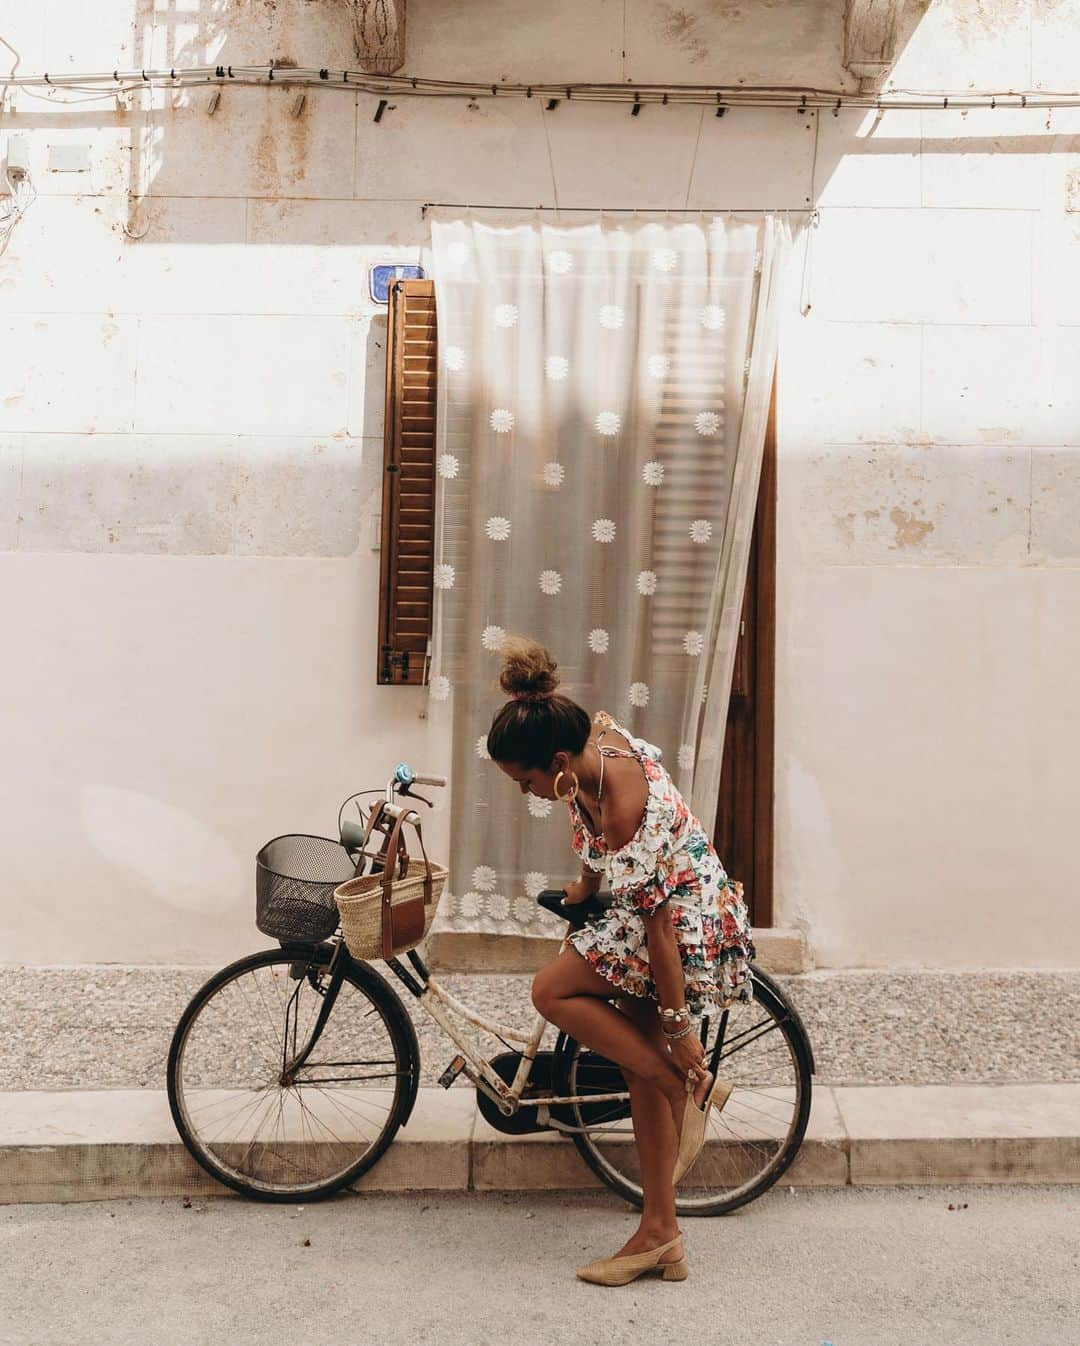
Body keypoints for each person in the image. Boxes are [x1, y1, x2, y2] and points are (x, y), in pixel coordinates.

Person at [486, 634, 757, 1286]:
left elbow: (659, 930)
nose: (528, 793)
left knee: (553, 992)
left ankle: (678, 1086)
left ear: (553, 762)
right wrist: (584, 888)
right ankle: (661, 1236)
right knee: (636, 1069)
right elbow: (589, 806)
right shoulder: (592, 740)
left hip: (685, 922)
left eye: (526, 781)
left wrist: (678, 1034)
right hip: (657, 908)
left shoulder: (626, 805)